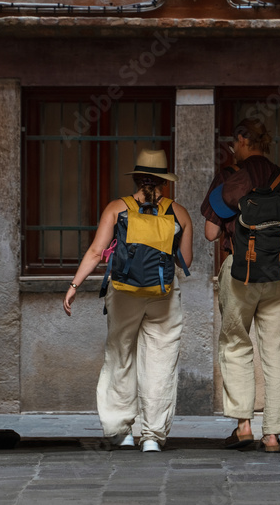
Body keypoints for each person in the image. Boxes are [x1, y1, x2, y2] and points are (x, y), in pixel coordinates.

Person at [201, 118, 280, 453]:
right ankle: (273, 435)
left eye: (232, 142)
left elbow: (211, 234)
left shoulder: (229, 178)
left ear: (241, 140)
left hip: (240, 276)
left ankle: (243, 426)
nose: (231, 148)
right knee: (277, 352)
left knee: (236, 345)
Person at [63, 149, 193, 453]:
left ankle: (120, 431)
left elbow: (96, 253)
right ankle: (152, 436)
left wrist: (74, 285)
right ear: (164, 181)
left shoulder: (116, 208)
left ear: (135, 178)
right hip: (163, 295)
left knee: (120, 356)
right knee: (160, 362)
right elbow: (185, 261)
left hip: (123, 293)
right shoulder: (179, 213)